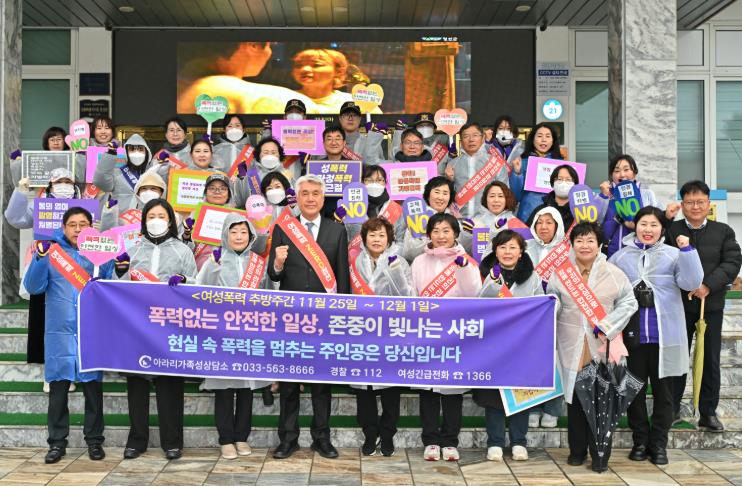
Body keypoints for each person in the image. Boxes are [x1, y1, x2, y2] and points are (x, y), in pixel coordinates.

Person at [609, 206, 704, 465]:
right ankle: (640, 441)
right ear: (635, 226)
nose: (648, 229)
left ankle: (659, 444)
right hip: (632, 340)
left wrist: (687, 250)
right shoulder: (620, 257)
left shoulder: (673, 254)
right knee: (634, 393)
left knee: (665, 396)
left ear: (662, 228)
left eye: (654, 225)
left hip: (665, 338)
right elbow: (609, 292)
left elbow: (692, 282)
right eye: (643, 224)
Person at [267, 174, 350, 460]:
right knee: (289, 383)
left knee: (321, 384)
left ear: (323, 198)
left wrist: (342, 317)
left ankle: (321, 438)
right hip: (291, 319)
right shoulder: (283, 228)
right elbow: (273, 275)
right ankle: (288, 439)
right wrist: (278, 262)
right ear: (297, 198)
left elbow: (342, 276)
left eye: (316, 193)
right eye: (305, 193)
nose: (311, 198)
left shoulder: (336, 231)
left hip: (324, 320)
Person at [23, 207, 114, 464]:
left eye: (83, 224)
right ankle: (56, 443)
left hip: (90, 332)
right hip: (59, 335)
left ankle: (94, 441)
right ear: (63, 228)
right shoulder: (52, 254)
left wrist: (118, 265)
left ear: (91, 228)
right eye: (72, 224)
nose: (77, 229)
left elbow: (111, 287)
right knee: (58, 391)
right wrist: (40, 259)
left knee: (93, 391)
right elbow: (33, 287)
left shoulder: (99, 255)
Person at [546, 222, 638, 472]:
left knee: (602, 402)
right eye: (579, 241)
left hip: (602, 347)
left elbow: (629, 303)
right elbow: (552, 303)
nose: (584, 246)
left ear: (599, 245)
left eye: (590, 241)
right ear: (572, 245)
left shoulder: (613, 273)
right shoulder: (561, 274)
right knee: (576, 401)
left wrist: (608, 325)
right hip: (570, 345)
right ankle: (576, 451)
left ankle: (600, 455)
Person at [114, 198, 197, 461]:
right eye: (151, 216)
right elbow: (119, 286)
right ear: (144, 221)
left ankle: (172, 441)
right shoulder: (133, 250)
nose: (156, 221)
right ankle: (136, 440)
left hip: (170, 325)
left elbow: (195, 283)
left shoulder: (183, 251)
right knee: (137, 384)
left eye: (161, 216)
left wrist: (184, 280)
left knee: (169, 383)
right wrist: (120, 271)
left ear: (171, 221)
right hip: (137, 325)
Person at [666, 180, 742, 432]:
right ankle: (671, 409)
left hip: (710, 306)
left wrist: (707, 285)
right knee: (677, 358)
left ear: (709, 204)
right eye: (690, 202)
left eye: (700, 202)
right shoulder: (671, 230)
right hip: (679, 305)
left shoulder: (723, 231)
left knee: (710, 359)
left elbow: (732, 262)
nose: (695, 207)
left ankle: (708, 413)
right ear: (682, 204)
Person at [196, 213, 271, 460]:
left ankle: (241, 437)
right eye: (234, 232)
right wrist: (213, 268)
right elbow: (201, 290)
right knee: (224, 388)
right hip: (222, 334)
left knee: (247, 388)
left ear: (251, 236)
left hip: (251, 333)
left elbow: (270, 294)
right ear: (225, 234)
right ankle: (226, 439)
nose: (239, 237)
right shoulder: (215, 258)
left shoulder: (258, 262)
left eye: (243, 232)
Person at [411, 213, 482, 462]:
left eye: (446, 231)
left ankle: (450, 440)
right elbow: (412, 295)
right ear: (429, 234)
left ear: (456, 234)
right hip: (427, 331)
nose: (441, 236)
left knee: (453, 390)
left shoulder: (466, 261)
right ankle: (430, 440)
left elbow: (474, 294)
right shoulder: (419, 261)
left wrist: (463, 269)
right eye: (436, 231)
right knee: (428, 389)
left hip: (455, 334)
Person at [476, 230, 542, 462]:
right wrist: (492, 284)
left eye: (513, 247)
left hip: (522, 345)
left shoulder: (533, 277)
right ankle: (494, 442)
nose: (507, 252)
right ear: (495, 251)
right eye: (502, 247)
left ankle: (518, 442)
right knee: (493, 394)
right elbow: (478, 306)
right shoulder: (485, 274)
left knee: (519, 392)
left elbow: (542, 306)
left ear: (521, 252)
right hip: (493, 345)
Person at [351, 217, 414, 457]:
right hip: (360, 332)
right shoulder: (354, 261)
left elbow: (409, 297)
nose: (377, 239)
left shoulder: (399, 262)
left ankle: (387, 435)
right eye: (372, 235)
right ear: (364, 238)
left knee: (390, 388)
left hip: (390, 333)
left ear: (389, 239)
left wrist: (395, 272)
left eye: (381, 235)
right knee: (365, 388)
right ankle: (370, 433)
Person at [178, 42, 316, 114]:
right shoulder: (283, 100)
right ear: (253, 45)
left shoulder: (180, 83)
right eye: (269, 45)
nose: (270, 53)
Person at [525, 206, 566, 428]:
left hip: (558, 313)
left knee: (555, 363)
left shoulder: (566, 251)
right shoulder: (525, 247)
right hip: (530, 314)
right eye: (540, 222)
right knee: (531, 361)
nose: (544, 227)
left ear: (557, 225)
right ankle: (532, 407)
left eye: (549, 222)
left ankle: (552, 409)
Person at [600, 154, 681, 256]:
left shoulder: (647, 194)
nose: (622, 174)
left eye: (626, 169)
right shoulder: (605, 196)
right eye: (617, 171)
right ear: (611, 175)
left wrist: (668, 216)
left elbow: (659, 222)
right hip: (613, 254)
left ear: (634, 173)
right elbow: (597, 227)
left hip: (644, 255)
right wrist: (604, 197)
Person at [444, 122, 509, 219]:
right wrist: (448, 181)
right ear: (461, 141)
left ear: (483, 138)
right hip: (460, 220)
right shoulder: (452, 164)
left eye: (475, 135)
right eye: (466, 136)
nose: (471, 139)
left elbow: (505, 194)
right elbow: (445, 195)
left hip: (487, 220)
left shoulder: (495, 163)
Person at [292, 48, 378, 113]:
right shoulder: (284, 97)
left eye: (316, 65)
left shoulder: (357, 102)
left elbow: (377, 127)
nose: (304, 69)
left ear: (338, 71)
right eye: (298, 65)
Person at [509, 123, 563, 222]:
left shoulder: (561, 165)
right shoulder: (522, 162)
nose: (543, 139)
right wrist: (517, 173)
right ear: (532, 139)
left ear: (553, 141)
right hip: (527, 215)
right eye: (539, 136)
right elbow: (516, 196)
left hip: (553, 217)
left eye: (548, 136)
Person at [401, 176, 464, 262]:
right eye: (437, 192)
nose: (440, 197)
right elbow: (408, 253)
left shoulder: (454, 220)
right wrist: (427, 243)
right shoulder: (417, 217)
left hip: (449, 267)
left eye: (445, 193)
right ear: (428, 195)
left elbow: (461, 248)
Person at [182, 173, 235, 270]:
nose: (217, 192)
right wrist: (187, 234)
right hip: (198, 269)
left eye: (223, 189)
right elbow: (184, 248)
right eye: (212, 188)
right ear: (205, 193)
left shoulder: (236, 217)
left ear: (229, 194)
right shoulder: (195, 214)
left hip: (227, 269)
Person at [93, 134, 155, 213]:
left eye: (140, 149)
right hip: (120, 219)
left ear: (147, 152)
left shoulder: (153, 174)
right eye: (132, 149)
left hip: (145, 218)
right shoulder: (117, 173)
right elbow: (100, 181)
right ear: (126, 152)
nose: (136, 153)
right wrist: (110, 154)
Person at [234, 136, 300, 210]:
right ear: (259, 154)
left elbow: (295, 203)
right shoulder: (250, 175)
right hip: (256, 215)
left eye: (273, 152)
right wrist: (241, 179)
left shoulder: (287, 175)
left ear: (279, 154)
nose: (270, 155)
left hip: (282, 215)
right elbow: (239, 201)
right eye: (266, 152)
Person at [100, 170, 167, 231]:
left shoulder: (168, 213)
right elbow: (113, 231)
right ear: (138, 192)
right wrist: (108, 214)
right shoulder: (131, 214)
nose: (148, 192)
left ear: (162, 192)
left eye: (153, 188)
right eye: (144, 188)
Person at [525, 164, 580, 229]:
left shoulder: (580, 212)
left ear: (575, 185)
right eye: (559, 179)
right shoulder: (540, 210)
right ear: (552, 183)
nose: (564, 183)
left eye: (568, 180)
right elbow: (527, 233)